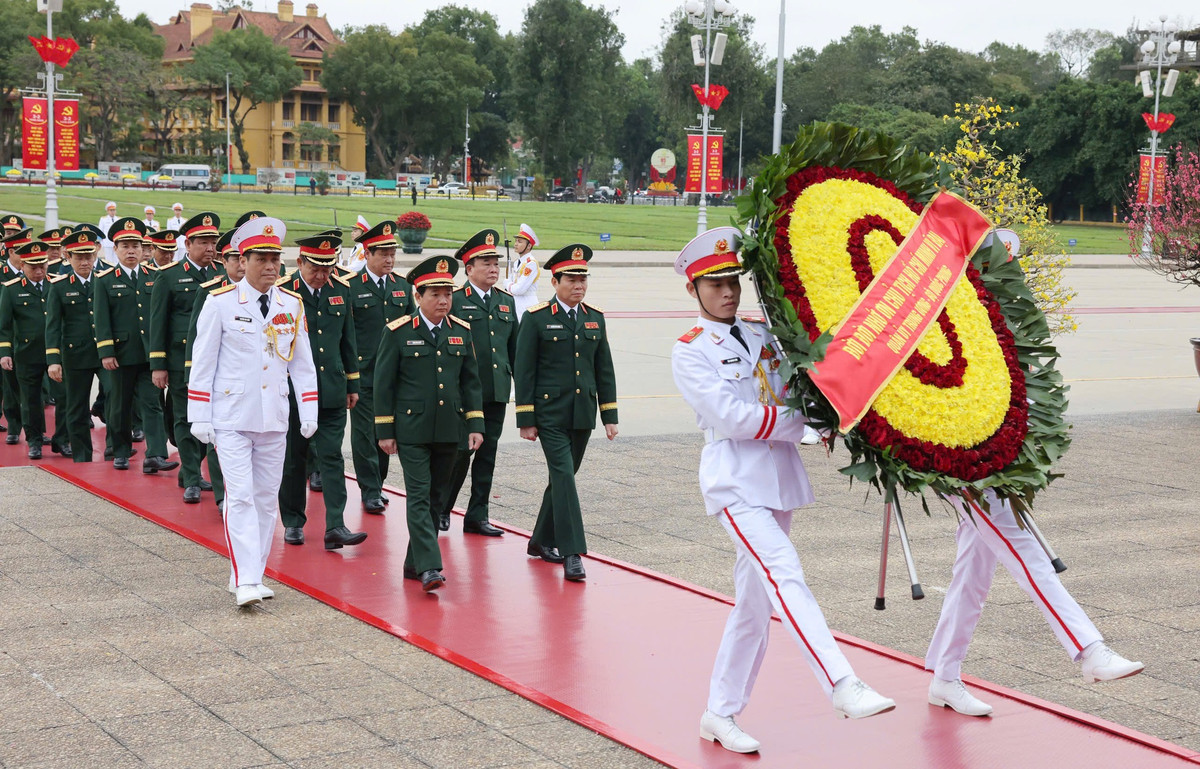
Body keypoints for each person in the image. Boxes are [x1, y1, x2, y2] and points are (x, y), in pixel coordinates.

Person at [670, 228, 896, 754]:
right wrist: (801, 425)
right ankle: (842, 683)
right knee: (784, 572)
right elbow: (730, 418)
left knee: (753, 606)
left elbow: (804, 389)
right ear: (693, 290)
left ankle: (719, 713)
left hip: (778, 480)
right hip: (734, 482)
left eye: (733, 282)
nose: (728, 292)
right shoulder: (690, 351)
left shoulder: (766, 336)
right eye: (715, 284)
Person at [187, 216, 318, 607]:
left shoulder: (290, 305)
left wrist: (307, 408)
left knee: (265, 499)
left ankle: (251, 574)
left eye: (275, 260)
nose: (270, 267)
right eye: (262, 259)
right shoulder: (221, 303)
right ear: (243, 261)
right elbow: (202, 361)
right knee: (240, 496)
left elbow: (302, 363)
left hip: (274, 417)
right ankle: (245, 579)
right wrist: (200, 414)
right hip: (231, 417)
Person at [923, 489, 1144, 716]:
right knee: (1028, 556)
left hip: (977, 467)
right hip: (965, 473)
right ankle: (1090, 649)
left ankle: (945, 675)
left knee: (971, 574)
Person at [375, 255, 484, 591]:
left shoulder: (461, 332)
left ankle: (414, 562)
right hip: (412, 430)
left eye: (447, 294)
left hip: (449, 429)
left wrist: (475, 424)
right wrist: (385, 430)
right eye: (435, 294)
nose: (443, 301)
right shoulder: (397, 333)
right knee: (420, 496)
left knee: (438, 498)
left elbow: (470, 382)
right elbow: (383, 384)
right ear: (417, 296)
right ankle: (430, 568)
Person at [514, 244, 618, 581]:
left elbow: (604, 369)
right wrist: (526, 419)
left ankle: (539, 540)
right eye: (572, 280)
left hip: (582, 413)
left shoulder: (594, 318)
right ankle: (573, 552)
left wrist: (609, 415)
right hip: (549, 413)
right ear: (555, 282)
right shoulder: (537, 317)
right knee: (564, 477)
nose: (579, 286)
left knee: (562, 478)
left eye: (583, 280)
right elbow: (524, 369)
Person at [277, 232, 367, 550]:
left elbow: (348, 341)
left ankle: (336, 525)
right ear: (300, 262)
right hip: (292, 392)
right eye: (315, 267)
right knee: (294, 459)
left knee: (332, 456)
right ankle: (292, 521)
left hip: (330, 388)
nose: (322, 275)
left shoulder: (341, 291)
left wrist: (352, 383)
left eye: (328, 268)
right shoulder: (282, 292)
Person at [438, 229, 516, 536]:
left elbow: (515, 351)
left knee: (488, 455)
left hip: (495, 391)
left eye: (495, 262)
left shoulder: (506, 302)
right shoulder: (455, 301)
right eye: (485, 263)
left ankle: (477, 515)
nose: (493, 268)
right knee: (460, 453)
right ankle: (443, 507)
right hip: (464, 395)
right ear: (469, 268)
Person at [150, 212, 225, 502]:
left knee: (211, 418)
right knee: (184, 418)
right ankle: (193, 478)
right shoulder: (169, 276)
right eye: (204, 242)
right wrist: (158, 365)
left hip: (215, 362)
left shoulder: (221, 274)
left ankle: (191, 472)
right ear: (188, 243)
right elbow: (158, 323)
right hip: (182, 361)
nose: (210, 248)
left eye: (213, 242)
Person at [93, 217, 171, 471]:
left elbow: (161, 317)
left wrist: (161, 354)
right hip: (121, 354)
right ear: (115, 249)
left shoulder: (155, 277)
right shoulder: (105, 280)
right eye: (125, 246)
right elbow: (101, 319)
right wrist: (106, 351)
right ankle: (120, 450)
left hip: (150, 354)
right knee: (119, 405)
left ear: (143, 249)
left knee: (152, 404)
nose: (131, 251)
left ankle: (156, 454)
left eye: (136, 246)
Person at [349, 220, 413, 514]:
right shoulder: (351, 287)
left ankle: (379, 482)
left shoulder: (402, 286)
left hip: (395, 375)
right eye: (383, 254)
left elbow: (413, 327)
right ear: (366, 254)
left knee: (385, 430)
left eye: (392, 254)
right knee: (364, 433)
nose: (389, 259)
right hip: (364, 372)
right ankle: (370, 489)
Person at [45, 230, 123, 464]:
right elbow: (53, 326)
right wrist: (53, 360)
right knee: (76, 406)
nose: (85, 262)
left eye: (89, 256)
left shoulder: (105, 279)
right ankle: (82, 454)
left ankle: (115, 448)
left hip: (105, 354)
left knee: (115, 397)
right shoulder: (58, 286)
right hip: (75, 354)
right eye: (79, 257)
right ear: (68, 258)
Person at [0, 240, 68, 458]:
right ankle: (34, 440)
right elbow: (5, 326)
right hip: (27, 353)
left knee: (64, 397)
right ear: (22, 266)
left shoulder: (57, 284)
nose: (39, 271)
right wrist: (4, 353)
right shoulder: (10, 290)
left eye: (43, 266)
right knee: (30, 399)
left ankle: (63, 439)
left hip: (56, 353)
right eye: (33, 267)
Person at [505, 223, 541, 319]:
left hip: (527, 305)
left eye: (520, 242)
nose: (516, 244)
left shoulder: (531, 263)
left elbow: (519, 289)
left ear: (529, 246)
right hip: (516, 304)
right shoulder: (518, 262)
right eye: (516, 241)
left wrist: (507, 285)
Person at [98, 202, 119, 266]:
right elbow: (100, 231)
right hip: (107, 243)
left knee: (117, 259)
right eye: (111, 210)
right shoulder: (103, 219)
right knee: (109, 260)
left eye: (113, 210)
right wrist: (100, 242)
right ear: (107, 211)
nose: (112, 212)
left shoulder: (118, 219)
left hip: (116, 242)